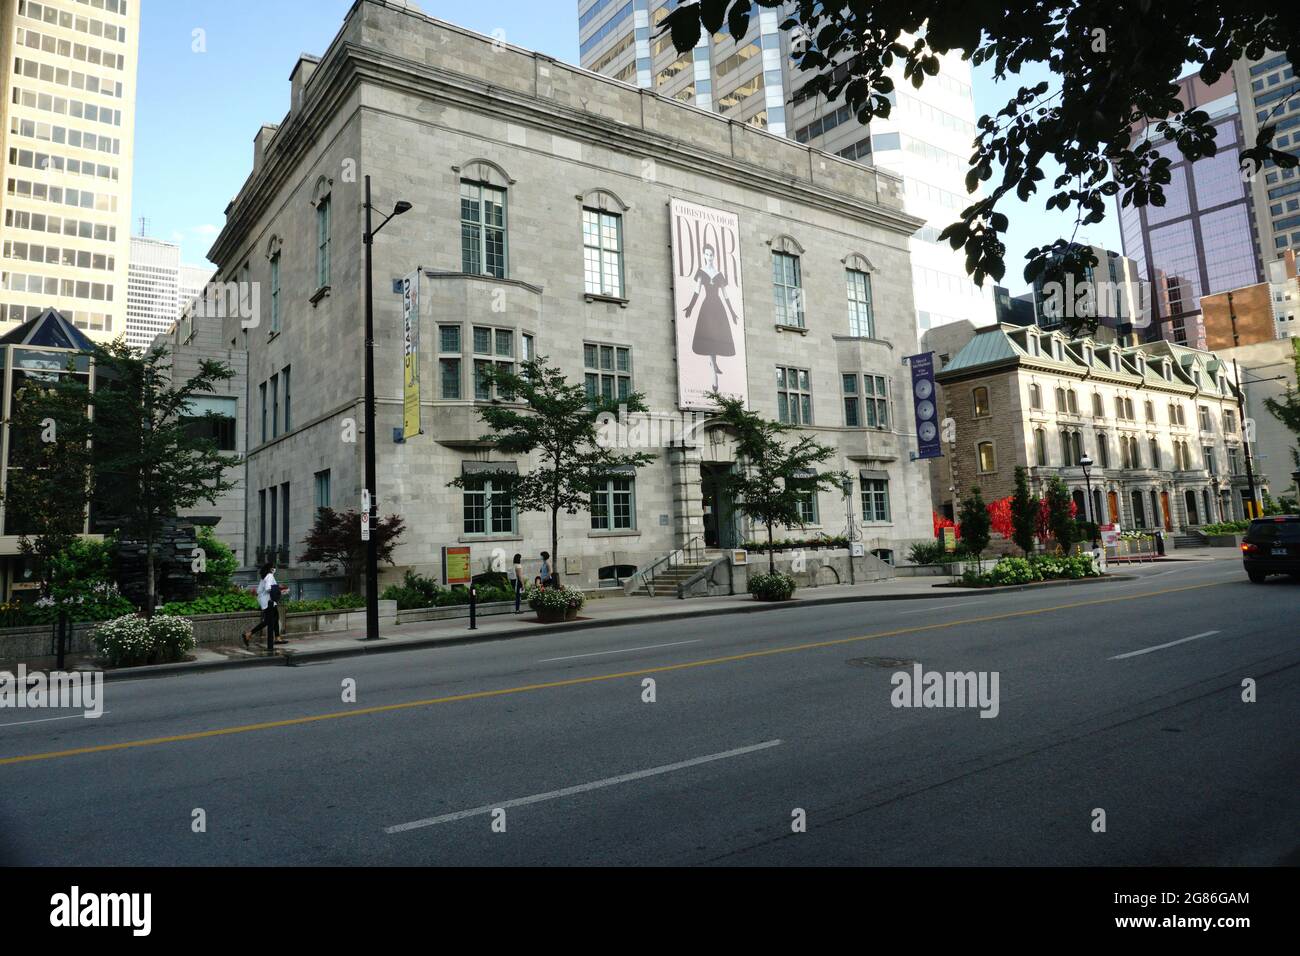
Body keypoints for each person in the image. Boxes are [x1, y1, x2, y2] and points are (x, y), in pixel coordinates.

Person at [243, 563, 284, 651]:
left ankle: (277, 637)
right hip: (268, 602)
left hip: (267, 601)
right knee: (268, 621)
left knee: (275, 618)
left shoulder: (264, 577)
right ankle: (249, 633)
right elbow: (268, 588)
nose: (274, 569)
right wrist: (278, 588)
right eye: (273, 567)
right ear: (269, 568)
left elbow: (259, 590)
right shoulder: (269, 576)